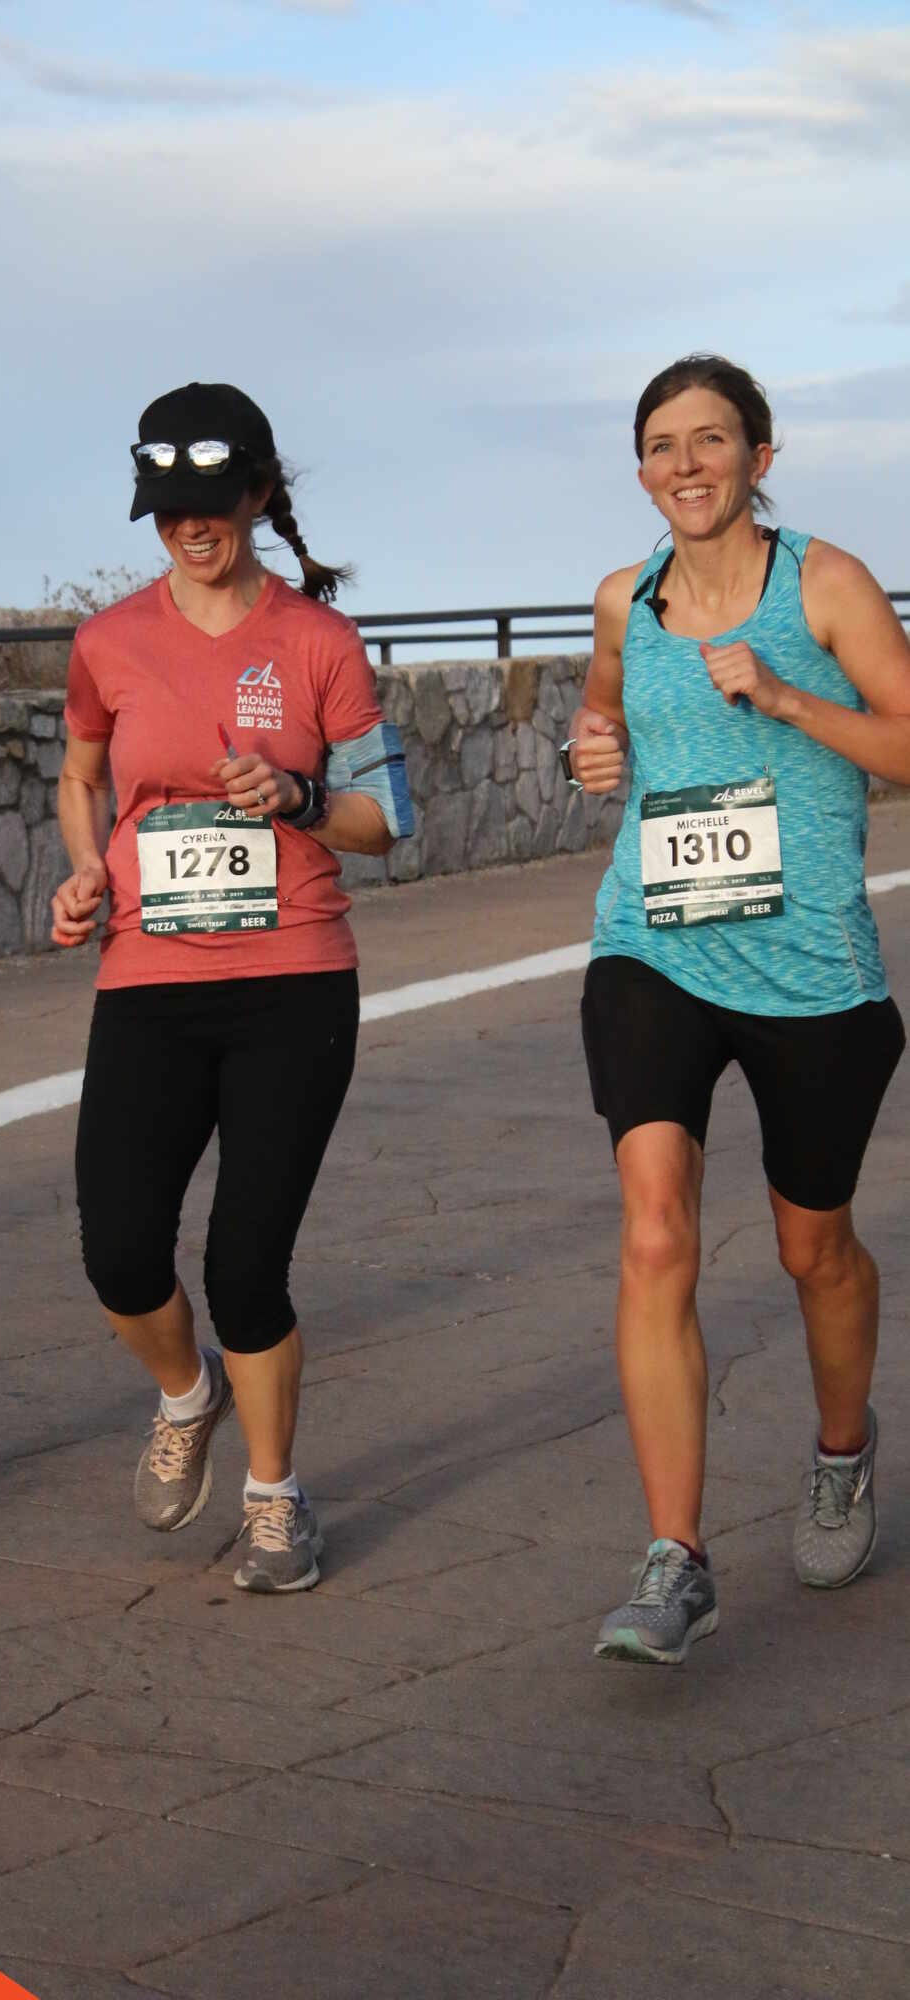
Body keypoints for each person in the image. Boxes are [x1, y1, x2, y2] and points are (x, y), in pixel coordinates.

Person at [566, 353, 909, 1664]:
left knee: (811, 1249)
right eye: (663, 445)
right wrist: (594, 752)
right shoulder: (623, 598)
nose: (686, 464)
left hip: (810, 969)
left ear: (759, 460)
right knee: (655, 1233)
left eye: (711, 440)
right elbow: (602, 720)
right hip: (649, 948)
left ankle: (840, 1450)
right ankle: (676, 1558)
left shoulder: (823, 585)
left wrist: (780, 694)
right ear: (641, 471)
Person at [51, 381, 413, 1591]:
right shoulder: (108, 641)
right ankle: (183, 1392)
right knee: (118, 1251)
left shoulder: (318, 642)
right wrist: (82, 870)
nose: (190, 527)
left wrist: (299, 796)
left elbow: (385, 818)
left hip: (291, 982)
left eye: (211, 502)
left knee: (246, 1265)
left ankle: (273, 1497)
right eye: (167, 509)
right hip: (148, 976)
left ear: (258, 493)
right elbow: (82, 774)